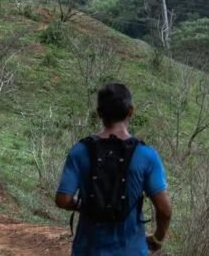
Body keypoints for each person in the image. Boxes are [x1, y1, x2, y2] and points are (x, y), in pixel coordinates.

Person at [55, 83, 172, 255]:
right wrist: (157, 238)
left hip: (87, 249)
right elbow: (164, 210)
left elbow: (62, 200)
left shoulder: (80, 151)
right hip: (131, 250)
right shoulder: (146, 155)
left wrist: (82, 206)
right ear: (131, 111)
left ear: (99, 113)